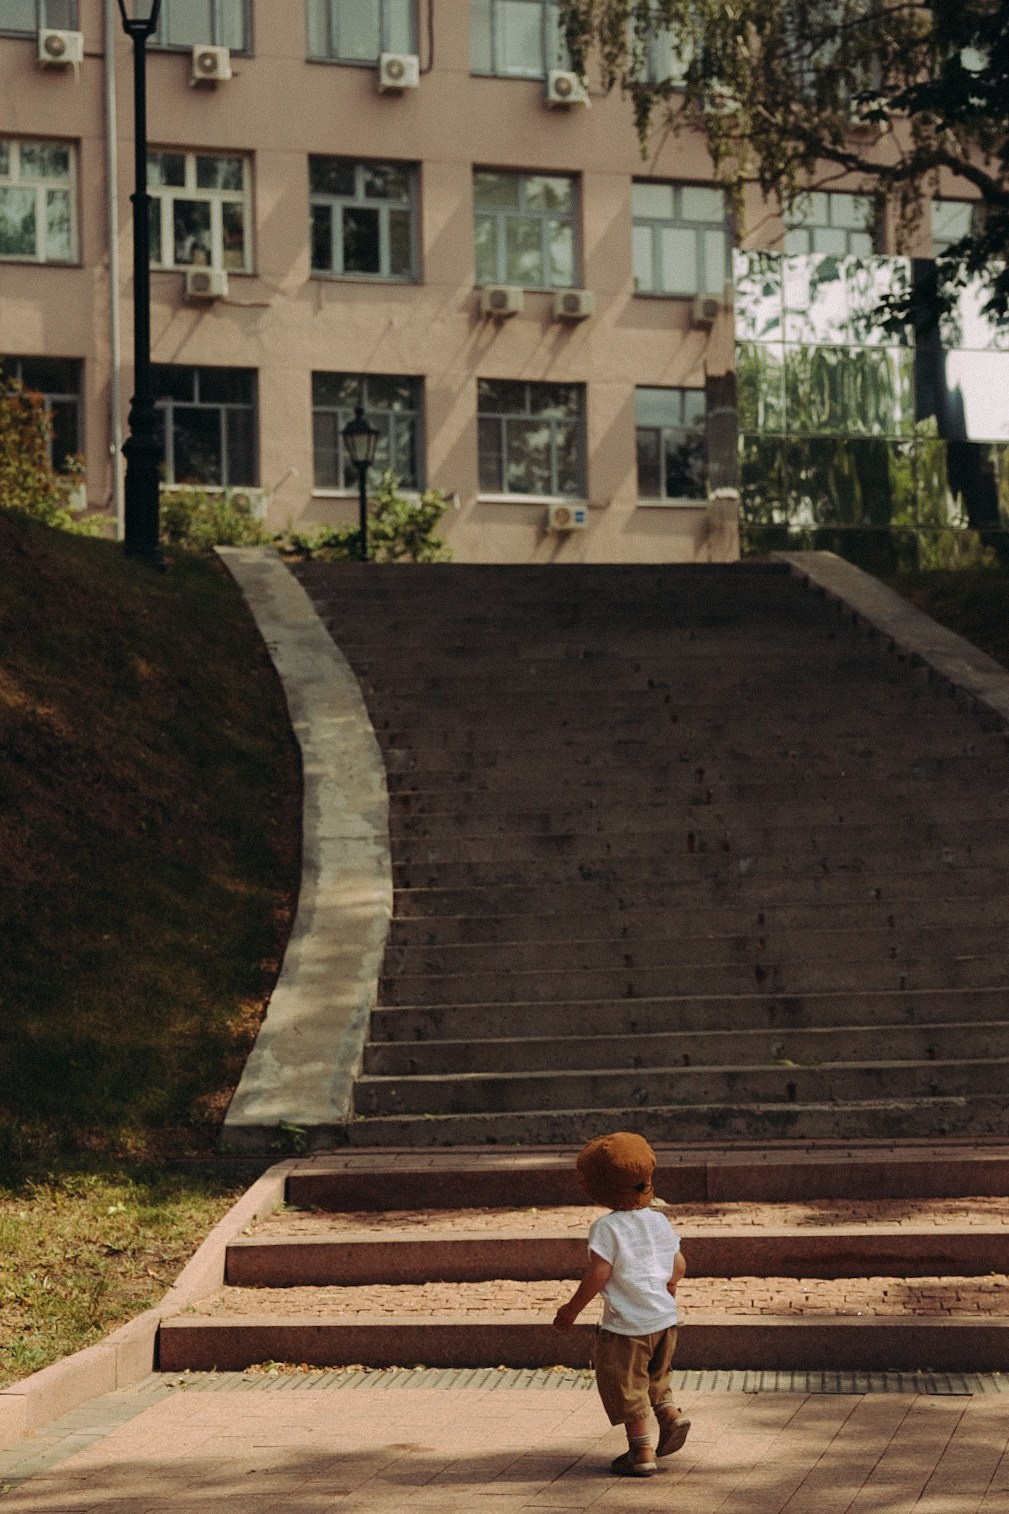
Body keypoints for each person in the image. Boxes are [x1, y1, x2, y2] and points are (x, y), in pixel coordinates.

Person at [552, 1131, 690, 1478]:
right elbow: (678, 1264)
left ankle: (641, 1451)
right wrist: (669, 1287)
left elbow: (599, 1272)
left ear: (597, 1189)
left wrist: (571, 1310)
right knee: (656, 1376)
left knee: (626, 1387)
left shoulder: (607, 1228)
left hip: (626, 1327)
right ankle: (670, 1414)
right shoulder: (659, 1220)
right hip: (664, 1319)